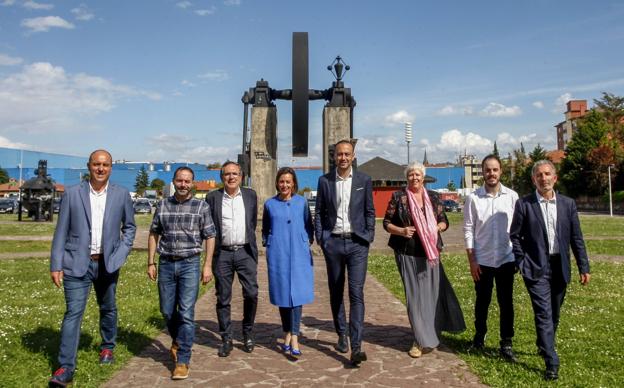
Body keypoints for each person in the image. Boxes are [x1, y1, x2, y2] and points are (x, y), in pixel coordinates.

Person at [48, 150, 136, 388]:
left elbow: (130, 228)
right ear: (88, 166)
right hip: (77, 263)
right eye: (96, 164)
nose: (100, 168)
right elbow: (61, 231)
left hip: (108, 263)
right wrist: (56, 264)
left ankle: (107, 347)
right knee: (73, 313)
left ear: (111, 167)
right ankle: (65, 367)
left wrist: (120, 254)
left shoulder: (121, 195)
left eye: (105, 165)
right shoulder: (73, 194)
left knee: (108, 308)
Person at [510, 160, 591, 381]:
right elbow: (514, 236)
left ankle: (542, 343)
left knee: (554, 312)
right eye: (539, 175)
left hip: (560, 266)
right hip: (536, 268)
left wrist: (584, 266)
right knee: (543, 313)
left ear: (555, 178)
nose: (543, 178)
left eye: (547, 174)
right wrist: (521, 261)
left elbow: (577, 238)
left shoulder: (568, 204)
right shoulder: (524, 204)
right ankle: (551, 361)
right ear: (533, 180)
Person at [383, 161, 464, 358]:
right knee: (415, 297)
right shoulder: (399, 197)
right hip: (407, 252)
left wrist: (437, 228)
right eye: (411, 174)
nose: (414, 178)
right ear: (407, 177)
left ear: (423, 177)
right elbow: (386, 223)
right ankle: (419, 340)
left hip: (431, 254)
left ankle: (431, 333)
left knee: (430, 296)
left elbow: (444, 220)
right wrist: (401, 231)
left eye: (418, 174)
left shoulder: (434, 197)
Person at [147, 167, 216, 380]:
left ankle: (183, 360)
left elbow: (210, 236)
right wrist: (151, 262)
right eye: (180, 181)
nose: (183, 184)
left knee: (186, 312)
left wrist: (207, 265)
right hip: (166, 263)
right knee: (167, 311)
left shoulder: (201, 207)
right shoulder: (163, 205)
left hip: (190, 263)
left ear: (192, 183)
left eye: (187, 181)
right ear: (174, 181)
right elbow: (154, 233)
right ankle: (178, 340)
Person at [314, 139, 375, 367]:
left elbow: (370, 210)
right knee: (336, 290)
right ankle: (342, 334)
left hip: (358, 243)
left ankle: (357, 345)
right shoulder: (325, 181)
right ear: (334, 156)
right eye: (339, 154)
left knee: (356, 292)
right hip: (334, 243)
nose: (343, 158)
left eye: (347, 154)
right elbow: (319, 212)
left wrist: (369, 235)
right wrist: (322, 239)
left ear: (353, 155)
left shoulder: (364, 180)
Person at [463, 154, 519, 362]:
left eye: (495, 170)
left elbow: (518, 229)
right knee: (482, 301)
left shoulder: (512, 197)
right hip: (482, 260)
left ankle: (506, 342)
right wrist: (472, 260)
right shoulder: (473, 198)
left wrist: (518, 257)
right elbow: (468, 229)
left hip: (506, 259)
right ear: (483, 172)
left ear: (501, 171)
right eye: (487, 170)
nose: (491, 173)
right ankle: (479, 336)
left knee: (506, 303)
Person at [205, 161, 259, 357]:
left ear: (241, 176)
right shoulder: (212, 197)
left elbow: (252, 223)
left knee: (251, 293)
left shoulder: (250, 195)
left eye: (235, 173)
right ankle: (226, 337)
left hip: (245, 252)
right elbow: (209, 227)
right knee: (223, 298)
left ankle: (247, 332)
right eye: (227, 174)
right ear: (222, 177)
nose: (231, 177)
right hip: (223, 254)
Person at [262, 167, 314, 357]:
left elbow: (309, 225)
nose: (285, 185)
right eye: (282, 181)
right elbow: (266, 228)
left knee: (297, 296)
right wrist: (268, 243)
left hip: (299, 254)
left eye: (288, 181)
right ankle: (287, 333)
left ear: (294, 184)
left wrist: (305, 240)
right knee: (283, 295)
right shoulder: (269, 204)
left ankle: (294, 337)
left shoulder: (302, 203)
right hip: (278, 253)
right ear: (277, 183)